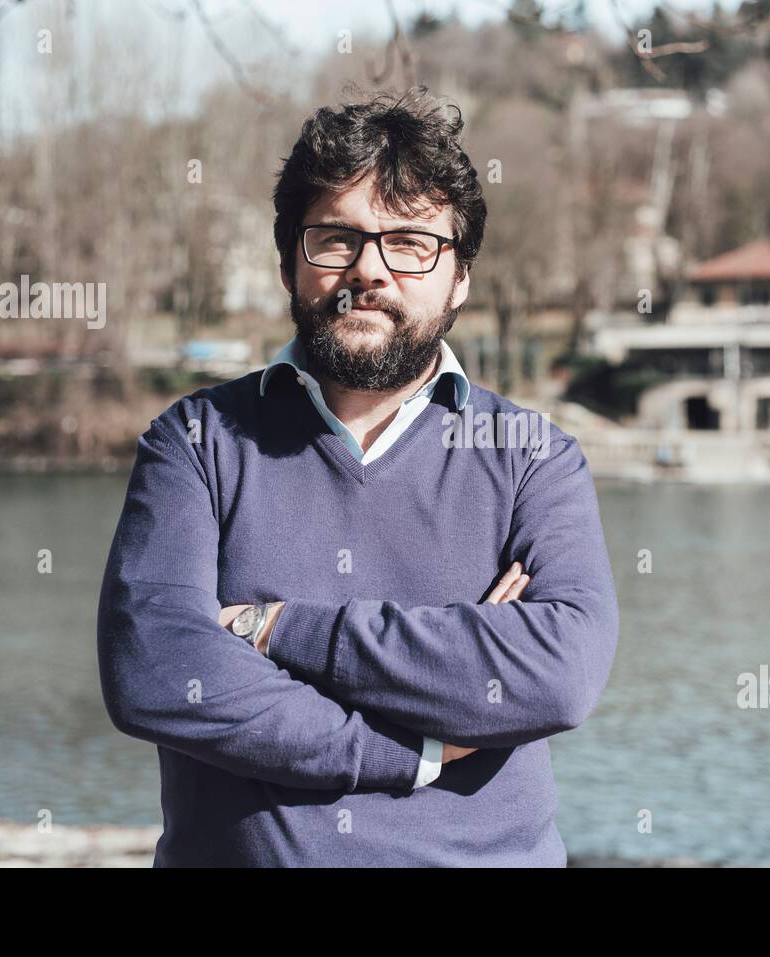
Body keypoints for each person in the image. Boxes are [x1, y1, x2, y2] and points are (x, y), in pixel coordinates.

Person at [96, 86, 619, 866]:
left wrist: (274, 629)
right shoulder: (196, 444)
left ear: (461, 277)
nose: (369, 269)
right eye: (336, 238)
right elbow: (156, 668)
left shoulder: (533, 456)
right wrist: (418, 746)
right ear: (288, 263)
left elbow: (556, 674)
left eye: (410, 242)